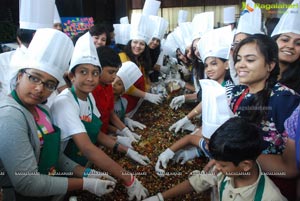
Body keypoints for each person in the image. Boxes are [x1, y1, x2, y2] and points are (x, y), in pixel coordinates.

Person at [0, 28, 115, 201]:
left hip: (50, 191)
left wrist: (87, 174)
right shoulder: (10, 116)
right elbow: (27, 182)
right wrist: (85, 183)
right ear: (19, 76)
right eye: (34, 78)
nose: (40, 89)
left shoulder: (42, 110)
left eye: (49, 84)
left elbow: (54, 155)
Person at [50, 32, 149, 200]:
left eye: (95, 73)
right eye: (83, 72)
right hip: (61, 170)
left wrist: (125, 149)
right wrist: (128, 178)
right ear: (71, 76)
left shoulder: (88, 97)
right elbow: (87, 148)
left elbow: (97, 134)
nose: (90, 79)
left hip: (82, 163)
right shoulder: (65, 103)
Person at [145, 117, 287, 201]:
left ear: (245, 165)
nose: (215, 167)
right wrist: (160, 197)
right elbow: (196, 183)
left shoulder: (270, 197)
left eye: (222, 165)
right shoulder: (225, 171)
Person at [230, 33, 300, 200]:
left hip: (272, 188)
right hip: (240, 179)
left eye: (250, 60)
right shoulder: (239, 93)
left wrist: (234, 158)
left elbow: (290, 168)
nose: (241, 65)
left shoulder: (285, 100)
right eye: (238, 59)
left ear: (270, 65)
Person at [169, 26, 234, 133]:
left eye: (213, 64)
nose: (197, 51)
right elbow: (206, 100)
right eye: (194, 48)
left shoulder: (228, 89)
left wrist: (195, 130)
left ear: (227, 64)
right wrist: (188, 118)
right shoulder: (203, 71)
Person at [119, 18, 163, 116]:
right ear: (130, 42)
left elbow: (144, 78)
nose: (138, 46)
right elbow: (124, 85)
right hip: (125, 103)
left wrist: (151, 87)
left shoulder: (140, 59)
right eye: (135, 42)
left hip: (137, 102)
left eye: (142, 44)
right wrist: (147, 95)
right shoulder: (122, 57)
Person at [271, 1, 300, 94]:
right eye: (285, 40)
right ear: (274, 41)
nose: (291, 46)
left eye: (298, 43)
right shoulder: (258, 74)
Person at [112, 61, 147, 131]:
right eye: (113, 80)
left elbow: (121, 117)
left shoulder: (124, 102)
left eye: (119, 84)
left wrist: (126, 120)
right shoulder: (105, 99)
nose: (113, 84)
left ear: (123, 91)